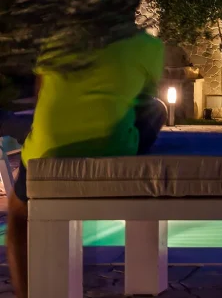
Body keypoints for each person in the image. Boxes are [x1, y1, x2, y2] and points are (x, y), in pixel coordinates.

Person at [2, 30, 165, 298]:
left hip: (47, 153)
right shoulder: (148, 46)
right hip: (113, 149)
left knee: (18, 213)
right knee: (157, 108)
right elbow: (142, 100)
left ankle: (25, 293)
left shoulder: (57, 38)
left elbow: (42, 94)